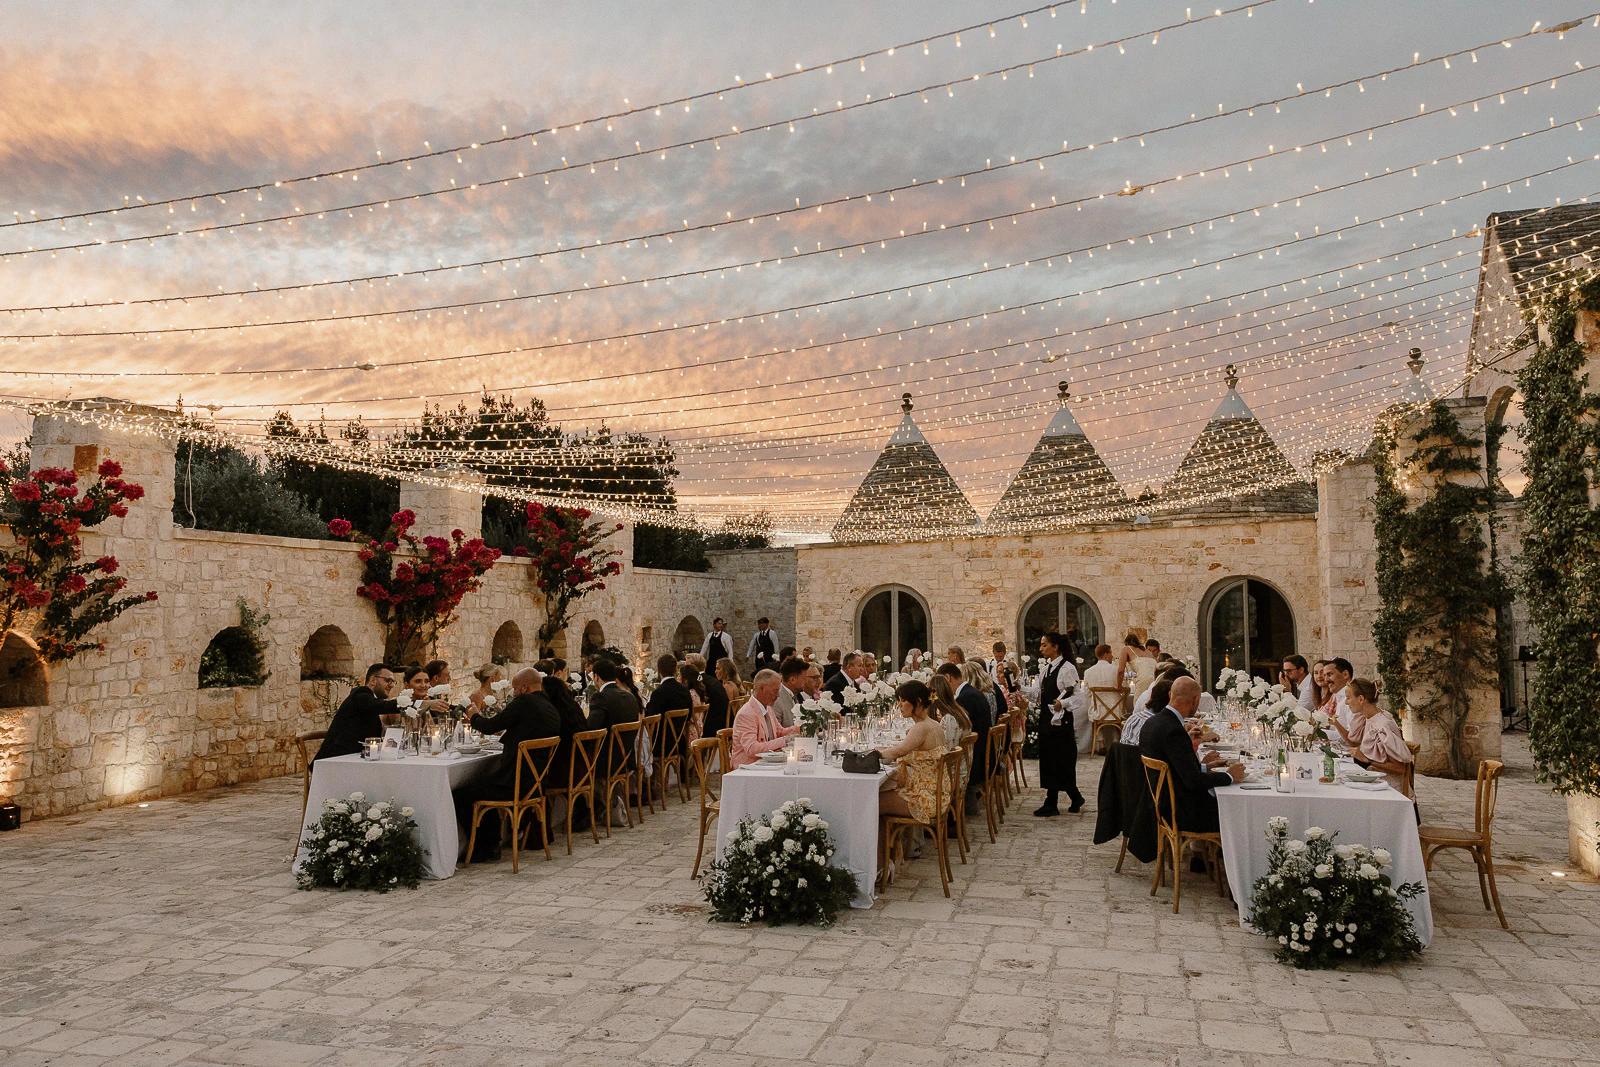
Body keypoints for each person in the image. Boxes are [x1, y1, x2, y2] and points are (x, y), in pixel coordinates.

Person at [452, 667, 563, 860]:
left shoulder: (524, 702)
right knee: (485, 782)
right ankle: (492, 843)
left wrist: (474, 714)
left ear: (524, 687)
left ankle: (482, 848)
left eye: (515, 688)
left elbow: (490, 726)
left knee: (461, 793)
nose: (513, 692)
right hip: (535, 783)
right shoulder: (550, 706)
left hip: (515, 784)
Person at [1138, 677, 1245, 834]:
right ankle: (1225, 855)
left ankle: (1205, 856)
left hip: (1161, 803)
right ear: (1195, 700)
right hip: (1181, 811)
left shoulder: (1154, 722)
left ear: (1170, 695)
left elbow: (1176, 767)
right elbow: (1193, 781)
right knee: (1237, 807)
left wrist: (1204, 767)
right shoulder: (1174, 730)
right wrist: (1229, 777)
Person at [1021, 631, 1085, 816]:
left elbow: (1077, 696)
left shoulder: (1067, 669)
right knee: (1050, 759)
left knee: (1062, 759)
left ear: (1055, 646)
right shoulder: (1046, 669)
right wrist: (1021, 689)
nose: (1041, 648)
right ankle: (1061, 799)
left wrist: (1062, 703)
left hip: (1061, 723)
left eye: (1044, 645)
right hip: (1047, 720)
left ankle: (1060, 799)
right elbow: (1039, 693)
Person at [872, 680, 948, 821]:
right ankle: (892, 842)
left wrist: (872, 755)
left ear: (918, 701)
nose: (899, 705)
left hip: (926, 800)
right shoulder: (933, 724)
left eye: (903, 700)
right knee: (878, 797)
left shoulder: (921, 727)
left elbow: (899, 751)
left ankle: (882, 843)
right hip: (936, 794)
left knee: (871, 802)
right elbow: (902, 748)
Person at [1333, 678, 1414, 796]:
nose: (1346, 702)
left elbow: (1400, 768)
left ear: (1361, 699)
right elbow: (1355, 743)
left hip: (1387, 789)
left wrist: (1367, 760)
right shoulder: (1366, 718)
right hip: (1372, 783)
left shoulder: (1383, 725)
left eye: (1348, 698)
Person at [939, 662, 992, 816]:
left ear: (947, 677)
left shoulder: (965, 697)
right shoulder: (971, 692)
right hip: (979, 754)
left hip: (975, 761)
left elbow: (953, 737)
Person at [316, 663, 399, 761]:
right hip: (336, 759)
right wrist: (407, 703)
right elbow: (382, 706)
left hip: (355, 756)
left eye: (393, 682)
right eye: (388, 680)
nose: (391, 685)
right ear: (373, 680)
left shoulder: (370, 699)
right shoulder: (361, 694)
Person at [583, 658, 641, 796]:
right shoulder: (629, 696)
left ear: (596, 677)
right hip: (626, 758)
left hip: (606, 761)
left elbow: (591, 729)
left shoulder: (601, 697)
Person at [730, 669, 801, 768]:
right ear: (762, 689)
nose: (778, 695)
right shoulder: (746, 714)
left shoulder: (767, 708)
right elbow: (752, 749)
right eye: (775, 691)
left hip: (766, 764)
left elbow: (779, 731)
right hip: (748, 768)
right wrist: (785, 740)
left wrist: (800, 729)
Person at [929, 673, 970, 750]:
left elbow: (944, 750)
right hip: (963, 760)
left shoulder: (949, 719)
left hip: (952, 760)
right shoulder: (960, 712)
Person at [772, 655, 809, 728]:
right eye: (804, 678)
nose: (806, 681)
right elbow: (776, 733)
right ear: (792, 680)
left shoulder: (795, 695)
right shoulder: (777, 700)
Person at [1321, 657, 1356, 732]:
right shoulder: (1338, 697)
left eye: (1329, 674)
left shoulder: (1353, 698)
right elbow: (1342, 728)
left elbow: (1352, 735)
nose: (1326, 680)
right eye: (1324, 676)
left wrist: (1318, 734)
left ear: (1345, 674)